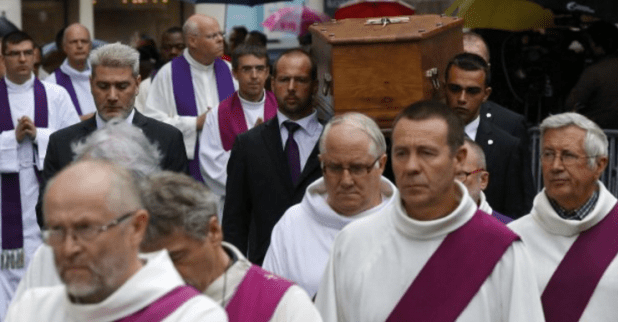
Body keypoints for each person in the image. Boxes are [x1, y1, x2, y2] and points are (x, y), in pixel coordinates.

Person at [315, 100, 544, 321]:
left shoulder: (503, 252)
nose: (412, 167)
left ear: (458, 159)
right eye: (402, 153)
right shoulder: (352, 244)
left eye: (426, 153)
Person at [6, 160, 227, 321]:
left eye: (86, 229)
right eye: (57, 230)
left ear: (136, 227)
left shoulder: (191, 316)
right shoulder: (31, 311)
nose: (69, 248)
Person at [11, 120, 164, 304]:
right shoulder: (47, 256)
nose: (69, 248)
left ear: (137, 223)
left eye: (87, 228)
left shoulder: (172, 262)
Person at [509, 112, 618, 321]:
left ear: (599, 165)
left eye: (568, 155)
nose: (555, 166)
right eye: (548, 154)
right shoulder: (514, 239)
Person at [140, 171, 321, 322]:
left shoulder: (283, 304)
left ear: (213, 231)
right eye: (148, 262)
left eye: (176, 258)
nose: (164, 271)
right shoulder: (139, 307)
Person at [263, 112, 397, 297]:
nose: (346, 180)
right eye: (334, 168)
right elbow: (270, 303)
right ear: (321, 163)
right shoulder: (293, 225)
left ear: (381, 164)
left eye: (357, 168)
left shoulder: (405, 222)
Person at [0, 31, 79, 318]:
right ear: (3, 58)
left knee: (43, 262)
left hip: (44, 190)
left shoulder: (55, 94)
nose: (22, 59)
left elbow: (73, 143)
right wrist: (10, 139)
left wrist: (39, 136)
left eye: (26, 53)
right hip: (4, 200)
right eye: (14, 53)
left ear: (35, 56)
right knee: (6, 270)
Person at [223, 48, 322, 265]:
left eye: (301, 80)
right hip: (267, 267)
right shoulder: (248, 145)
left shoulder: (332, 141)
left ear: (315, 85)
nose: (292, 88)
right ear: (273, 84)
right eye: (284, 80)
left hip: (323, 263)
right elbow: (235, 220)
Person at [43, 42, 188, 183]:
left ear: (137, 85)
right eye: (103, 86)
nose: (112, 96)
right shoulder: (61, 143)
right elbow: (46, 206)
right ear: (91, 84)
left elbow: (178, 203)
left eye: (122, 86)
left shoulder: (168, 139)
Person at [145, 14, 238, 181]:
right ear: (192, 41)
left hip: (228, 165)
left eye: (220, 34)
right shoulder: (168, 74)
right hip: (188, 169)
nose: (220, 40)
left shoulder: (230, 71)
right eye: (212, 36)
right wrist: (196, 123)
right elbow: (152, 124)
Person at [445, 52, 533, 218]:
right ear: (445, 88)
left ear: (486, 94)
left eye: (472, 91)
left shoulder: (506, 146)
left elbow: (519, 212)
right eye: (455, 89)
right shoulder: (426, 139)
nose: (462, 98)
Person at [199, 44, 276, 210]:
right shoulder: (218, 114)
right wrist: (251, 147)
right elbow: (211, 166)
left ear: (267, 72)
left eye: (259, 69)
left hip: (276, 200)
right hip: (237, 204)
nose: (254, 76)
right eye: (247, 69)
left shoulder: (282, 109)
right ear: (234, 73)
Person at [566, 21, 618, 130]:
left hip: (597, 132)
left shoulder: (594, 71)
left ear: (595, 45)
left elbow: (571, 103)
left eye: (588, 42)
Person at [463, 32, 530, 146]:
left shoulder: (510, 124)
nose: (470, 69)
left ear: (488, 69)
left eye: (478, 62)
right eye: (463, 62)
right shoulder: (431, 118)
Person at [44, 23, 96, 119]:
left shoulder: (102, 75)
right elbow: (52, 122)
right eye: (74, 42)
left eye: (84, 41)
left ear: (90, 46)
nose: (79, 46)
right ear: (64, 47)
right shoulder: (52, 83)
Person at [457, 138, 512, 224]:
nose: (449, 183)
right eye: (443, 174)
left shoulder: (508, 231)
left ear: (483, 180)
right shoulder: (428, 229)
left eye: (459, 175)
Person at [135, 27, 185, 112]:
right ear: (160, 51)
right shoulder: (147, 86)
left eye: (180, 47)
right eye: (167, 47)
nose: (173, 52)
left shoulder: (201, 81)